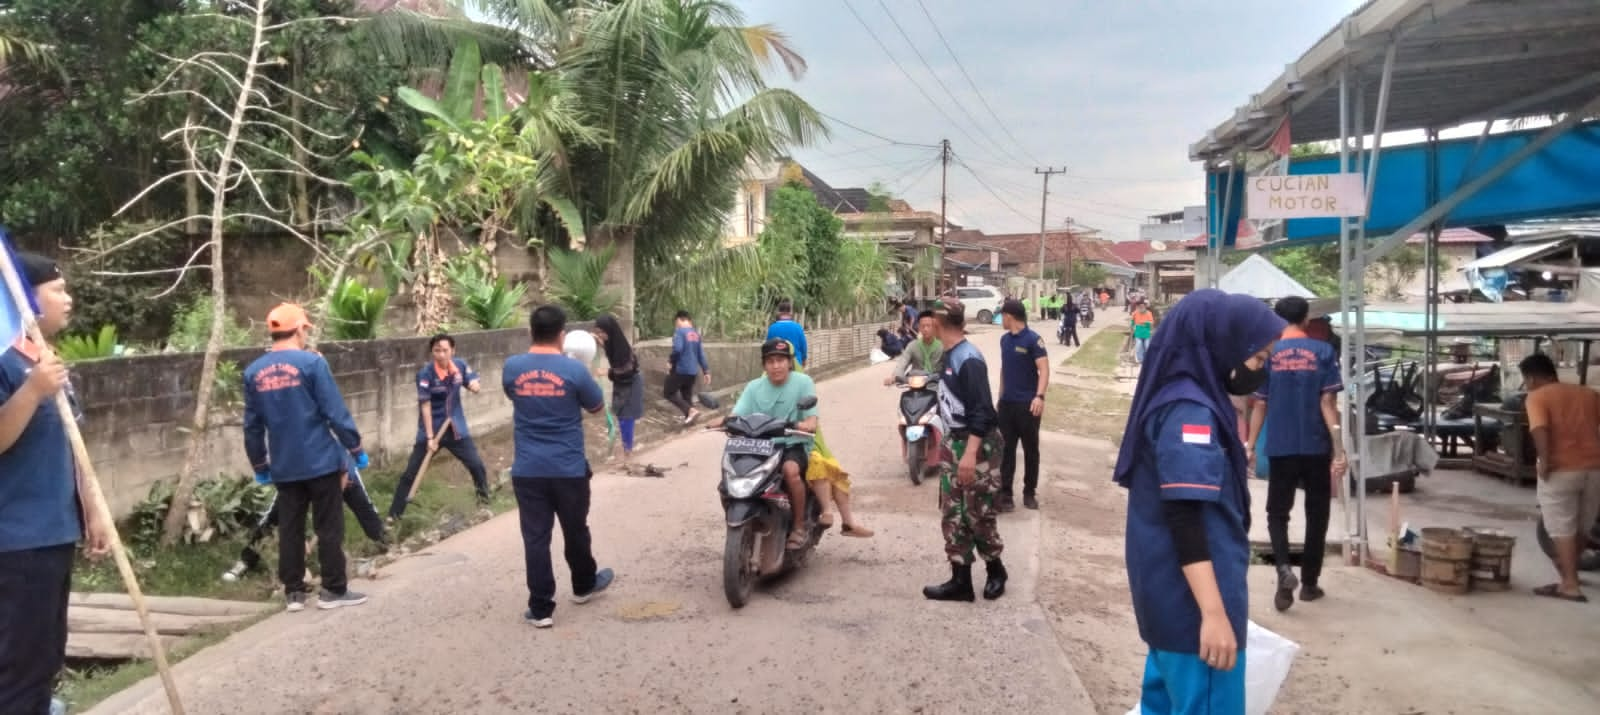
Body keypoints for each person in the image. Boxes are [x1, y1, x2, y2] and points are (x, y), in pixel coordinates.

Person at [1113, 289, 1285, 715]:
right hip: (1193, 615)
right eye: (1259, 359)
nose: (1258, 371)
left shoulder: (1183, 398)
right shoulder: (1190, 412)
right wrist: (1213, 614)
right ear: (1223, 343)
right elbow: (1184, 515)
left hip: (1172, 605)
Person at [0, 252, 112, 715]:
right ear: (25, 298)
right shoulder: (7, 362)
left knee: (43, 656)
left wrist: (94, 508)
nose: (68, 299)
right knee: (19, 670)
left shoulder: (41, 357)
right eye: (58, 289)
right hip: (17, 542)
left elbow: (70, 445)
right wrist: (31, 392)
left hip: (52, 533)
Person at [242, 303, 369, 612]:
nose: (305, 335)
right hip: (321, 460)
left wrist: (260, 465)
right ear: (299, 329)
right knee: (328, 526)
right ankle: (333, 590)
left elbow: (252, 425)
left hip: (284, 466)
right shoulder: (312, 364)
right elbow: (335, 412)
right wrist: (356, 449)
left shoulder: (253, 372)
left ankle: (294, 593)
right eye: (304, 330)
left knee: (290, 527)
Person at [504, 305, 615, 628]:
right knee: (575, 529)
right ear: (562, 335)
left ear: (530, 332)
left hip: (527, 469)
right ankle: (583, 585)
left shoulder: (512, 368)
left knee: (535, 538)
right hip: (568, 468)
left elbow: (514, 395)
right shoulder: (575, 371)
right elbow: (596, 407)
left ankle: (540, 609)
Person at [1245, 296, 1344, 612]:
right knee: (1318, 514)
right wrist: (1339, 451)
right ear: (1306, 319)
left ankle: (1283, 570)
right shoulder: (1324, 351)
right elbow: (1328, 404)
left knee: (1277, 512)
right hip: (1316, 445)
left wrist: (1250, 445)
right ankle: (1310, 584)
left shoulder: (1271, 355)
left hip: (1281, 445)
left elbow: (1260, 404)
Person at [922, 299, 1008, 602]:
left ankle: (996, 570)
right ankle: (961, 580)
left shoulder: (968, 359)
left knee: (978, 512)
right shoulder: (947, 355)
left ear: (937, 322)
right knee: (953, 513)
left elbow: (982, 411)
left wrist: (970, 454)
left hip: (977, 444)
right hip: (954, 441)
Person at [710, 339, 823, 546]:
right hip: (759, 445)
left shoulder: (803, 382)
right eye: (770, 361)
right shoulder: (754, 387)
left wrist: (806, 424)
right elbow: (737, 414)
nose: (776, 365)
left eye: (780, 360)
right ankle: (743, 523)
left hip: (791, 444)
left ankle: (799, 526)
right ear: (764, 365)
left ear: (789, 363)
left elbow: (811, 419)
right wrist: (721, 421)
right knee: (727, 483)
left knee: (790, 471)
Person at [1520, 352, 1600, 603]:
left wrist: (1545, 460)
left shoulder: (1537, 397)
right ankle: (1568, 572)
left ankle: (1569, 584)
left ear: (1531, 378)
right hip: (1594, 468)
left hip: (1561, 469)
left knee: (1561, 527)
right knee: (1583, 526)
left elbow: (1540, 428)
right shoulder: (1587, 394)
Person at [388, 333, 491, 519]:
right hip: (431, 431)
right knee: (411, 474)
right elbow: (425, 406)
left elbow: (472, 382)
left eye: (445, 350)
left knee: (477, 466)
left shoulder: (459, 366)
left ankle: (484, 504)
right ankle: (394, 517)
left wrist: (475, 385)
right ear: (432, 352)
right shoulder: (425, 374)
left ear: (453, 350)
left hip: (456, 429)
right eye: (437, 350)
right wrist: (429, 437)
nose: (441, 354)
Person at [996, 299, 1050, 512]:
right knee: (1006, 450)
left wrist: (1039, 396)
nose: (1001, 319)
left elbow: (1044, 370)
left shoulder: (1033, 340)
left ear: (1010, 316)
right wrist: (1000, 396)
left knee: (1030, 450)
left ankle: (1029, 492)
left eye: (1002, 315)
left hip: (1028, 405)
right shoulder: (1004, 340)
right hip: (1007, 405)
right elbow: (1004, 369)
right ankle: (1006, 493)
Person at [590, 314, 643, 464]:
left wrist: (606, 372)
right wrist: (598, 340)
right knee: (621, 415)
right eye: (598, 331)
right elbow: (608, 348)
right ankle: (627, 449)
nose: (600, 335)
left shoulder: (622, 348)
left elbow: (626, 370)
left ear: (610, 330)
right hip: (622, 383)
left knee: (627, 417)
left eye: (602, 332)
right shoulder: (613, 343)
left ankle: (628, 453)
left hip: (631, 383)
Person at [665, 310, 711, 426]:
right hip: (692, 371)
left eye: (676, 322)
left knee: (668, 392)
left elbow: (678, 349)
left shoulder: (679, 332)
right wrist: (706, 371)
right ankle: (690, 421)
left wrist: (670, 361)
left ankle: (691, 411)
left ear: (680, 319)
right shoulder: (696, 334)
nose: (676, 325)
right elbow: (701, 354)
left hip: (680, 369)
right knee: (686, 396)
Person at [883, 311, 944, 384]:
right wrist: (894, 377)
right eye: (923, 326)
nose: (925, 329)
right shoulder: (912, 346)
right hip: (915, 384)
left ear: (934, 327)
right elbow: (903, 362)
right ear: (919, 328)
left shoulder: (942, 346)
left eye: (928, 326)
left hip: (936, 385)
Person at [765, 299, 809, 368]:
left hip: (777, 365)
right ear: (790, 312)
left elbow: (768, 347)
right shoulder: (798, 327)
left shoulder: (772, 328)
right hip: (796, 363)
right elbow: (803, 347)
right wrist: (804, 360)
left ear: (779, 312)